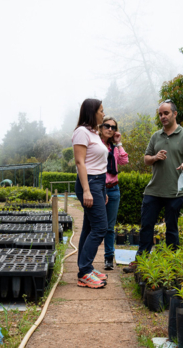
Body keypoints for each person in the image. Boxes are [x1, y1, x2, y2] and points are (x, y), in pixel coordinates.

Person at [123, 99, 183, 273]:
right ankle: (140, 262)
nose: (163, 116)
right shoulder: (156, 136)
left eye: (166, 113)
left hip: (175, 191)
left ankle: (172, 264)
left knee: (172, 228)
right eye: (160, 114)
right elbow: (146, 159)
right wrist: (155, 157)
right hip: (154, 190)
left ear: (175, 114)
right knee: (146, 226)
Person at [72, 98, 109, 288]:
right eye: (101, 111)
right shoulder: (81, 132)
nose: (103, 114)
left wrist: (102, 191)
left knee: (89, 227)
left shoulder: (94, 133)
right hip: (90, 183)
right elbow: (80, 163)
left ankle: (86, 267)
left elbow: (99, 163)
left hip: (98, 183)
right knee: (100, 227)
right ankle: (84, 272)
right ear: (91, 112)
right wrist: (87, 190)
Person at [99, 115, 129, 270]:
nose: (110, 129)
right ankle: (87, 258)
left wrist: (119, 143)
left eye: (113, 127)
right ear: (101, 127)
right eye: (107, 126)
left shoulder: (114, 148)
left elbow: (124, 161)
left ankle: (108, 259)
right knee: (96, 227)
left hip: (114, 189)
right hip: (99, 190)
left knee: (110, 227)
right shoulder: (97, 145)